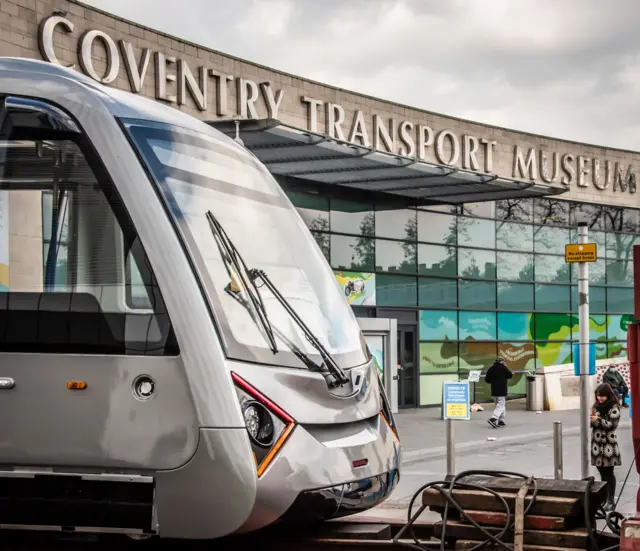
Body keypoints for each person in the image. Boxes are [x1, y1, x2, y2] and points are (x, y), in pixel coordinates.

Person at [591, 383, 622, 511]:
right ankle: (604, 500)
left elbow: (612, 425)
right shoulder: (596, 406)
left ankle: (611, 500)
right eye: (598, 396)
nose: (600, 398)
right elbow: (592, 423)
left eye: (602, 396)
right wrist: (591, 420)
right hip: (597, 444)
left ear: (608, 396)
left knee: (609, 473)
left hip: (609, 445)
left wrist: (597, 420)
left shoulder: (614, 407)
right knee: (602, 473)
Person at [485, 358, 512, 428]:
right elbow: (510, 375)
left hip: (494, 391)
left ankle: (501, 420)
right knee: (500, 406)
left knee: (500, 405)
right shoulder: (503, 368)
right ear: (502, 363)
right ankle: (493, 418)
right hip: (502, 390)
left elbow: (487, 380)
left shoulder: (491, 368)